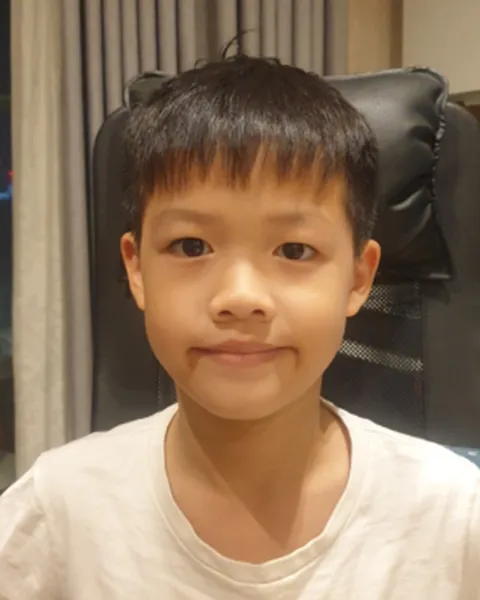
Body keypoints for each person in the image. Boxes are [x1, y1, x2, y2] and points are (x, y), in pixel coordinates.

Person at [1, 53, 479, 600]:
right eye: (191, 246)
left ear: (358, 278)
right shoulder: (58, 513)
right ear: (136, 269)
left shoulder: (454, 517)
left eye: (294, 250)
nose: (240, 297)